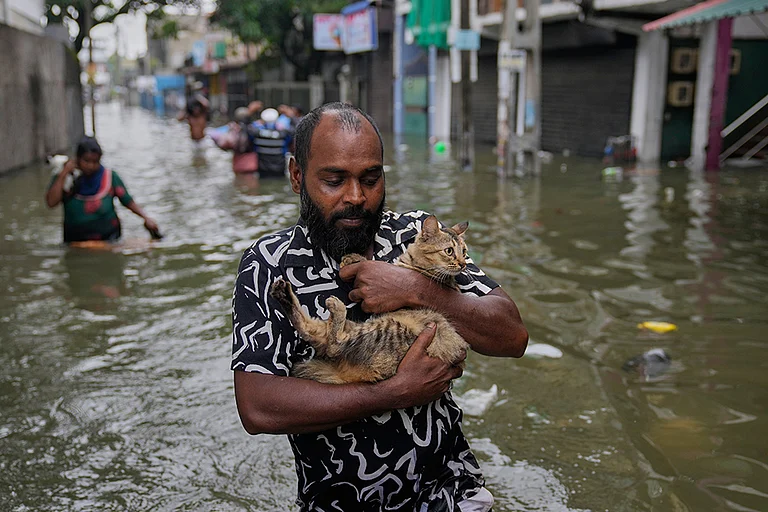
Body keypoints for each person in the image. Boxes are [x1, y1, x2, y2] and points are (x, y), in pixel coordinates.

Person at [231, 102, 529, 511]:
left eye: (371, 179)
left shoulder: (418, 235)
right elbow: (257, 407)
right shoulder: (269, 264)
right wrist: (393, 393)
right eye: (334, 180)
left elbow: (512, 336)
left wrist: (418, 289)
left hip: (450, 492)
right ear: (296, 175)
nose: (356, 197)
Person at [46, 137, 160, 243]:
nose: (91, 166)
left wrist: (145, 218)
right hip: (75, 241)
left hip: (109, 238)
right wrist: (64, 173)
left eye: (95, 162)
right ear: (77, 159)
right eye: (86, 161)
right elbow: (51, 203)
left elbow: (127, 201)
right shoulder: (65, 179)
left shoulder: (110, 177)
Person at [253, 107, 293, 178]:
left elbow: (246, 128)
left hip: (262, 169)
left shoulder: (256, 133)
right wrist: (291, 115)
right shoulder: (284, 134)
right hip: (280, 168)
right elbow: (295, 130)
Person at [177, 83, 209, 147]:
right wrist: (185, 108)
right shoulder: (189, 117)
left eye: (197, 109)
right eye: (194, 109)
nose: (196, 111)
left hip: (203, 141)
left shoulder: (202, 115)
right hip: (193, 142)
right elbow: (178, 119)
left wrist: (198, 96)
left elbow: (206, 104)